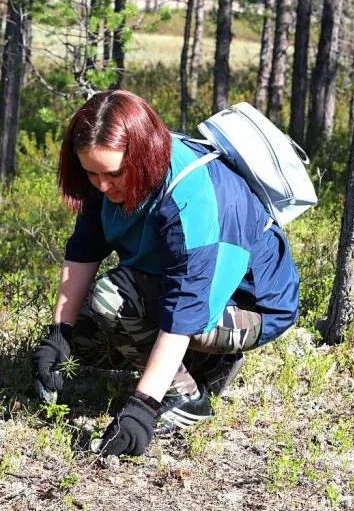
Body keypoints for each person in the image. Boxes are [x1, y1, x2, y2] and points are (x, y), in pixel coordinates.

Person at [32, 90, 300, 457]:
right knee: (81, 335)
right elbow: (84, 250)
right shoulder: (109, 175)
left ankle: (189, 398)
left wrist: (142, 408)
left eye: (111, 174)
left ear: (141, 156)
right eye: (91, 174)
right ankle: (207, 362)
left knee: (112, 298)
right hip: (180, 291)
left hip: (249, 308)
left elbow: (184, 309)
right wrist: (58, 336)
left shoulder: (192, 198)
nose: (102, 186)